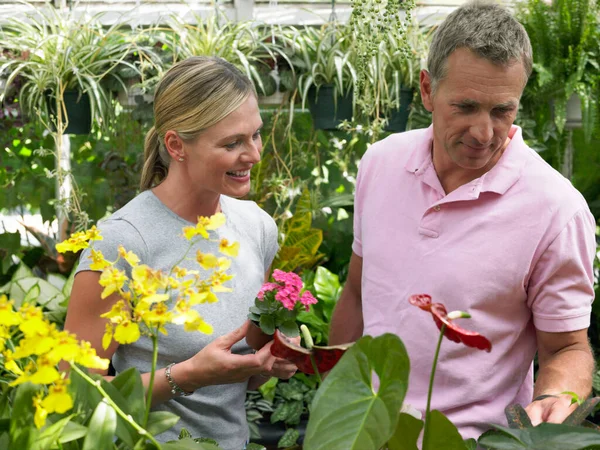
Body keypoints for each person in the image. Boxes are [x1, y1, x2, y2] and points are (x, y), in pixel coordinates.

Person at [329, 1, 597, 441]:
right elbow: (358, 293)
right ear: (427, 90)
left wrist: (556, 399)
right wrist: (335, 401)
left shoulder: (556, 209)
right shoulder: (380, 163)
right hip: (367, 433)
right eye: (466, 107)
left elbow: (566, 347)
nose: (483, 132)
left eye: (501, 111)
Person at [64, 56, 297, 449]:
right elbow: (74, 392)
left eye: (255, 135)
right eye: (232, 143)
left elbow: (241, 375)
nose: (255, 155)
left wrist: (270, 362)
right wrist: (187, 375)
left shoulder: (257, 227)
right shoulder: (123, 243)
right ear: (176, 145)